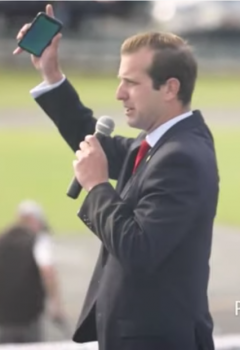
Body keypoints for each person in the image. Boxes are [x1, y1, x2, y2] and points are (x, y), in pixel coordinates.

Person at [14, 5, 219, 350]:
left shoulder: (182, 156)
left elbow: (139, 249)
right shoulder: (159, 142)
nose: (119, 93)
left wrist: (96, 187)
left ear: (169, 88)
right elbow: (92, 141)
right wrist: (51, 75)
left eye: (131, 83)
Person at [0, 200, 65, 344]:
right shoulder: (39, 241)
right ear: (33, 219)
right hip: (29, 315)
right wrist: (56, 305)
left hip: (3, 316)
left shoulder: (2, 239)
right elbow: (48, 271)